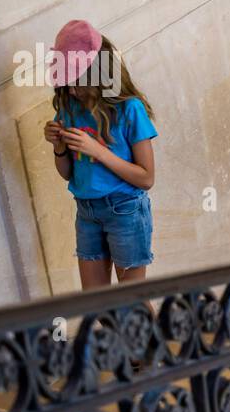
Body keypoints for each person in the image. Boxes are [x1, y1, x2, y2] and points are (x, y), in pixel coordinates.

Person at [43, 20, 158, 289]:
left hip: (125, 210)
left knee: (130, 303)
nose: (71, 90)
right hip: (86, 211)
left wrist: (98, 151)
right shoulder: (70, 109)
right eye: (67, 82)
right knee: (96, 303)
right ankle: (117, 334)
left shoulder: (130, 110)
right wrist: (59, 147)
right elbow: (67, 173)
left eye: (77, 82)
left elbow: (146, 178)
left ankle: (152, 333)